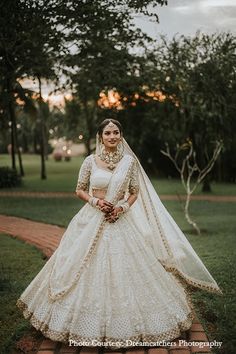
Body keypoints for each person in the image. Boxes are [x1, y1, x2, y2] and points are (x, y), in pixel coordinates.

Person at [16, 119, 222, 349]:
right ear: (100, 137)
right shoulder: (90, 161)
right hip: (91, 219)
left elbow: (134, 192)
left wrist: (122, 207)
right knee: (77, 265)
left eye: (116, 132)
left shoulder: (129, 162)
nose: (112, 136)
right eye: (108, 133)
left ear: (121, 135)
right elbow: (79, 189)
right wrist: (95, 201)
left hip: (121, 220)